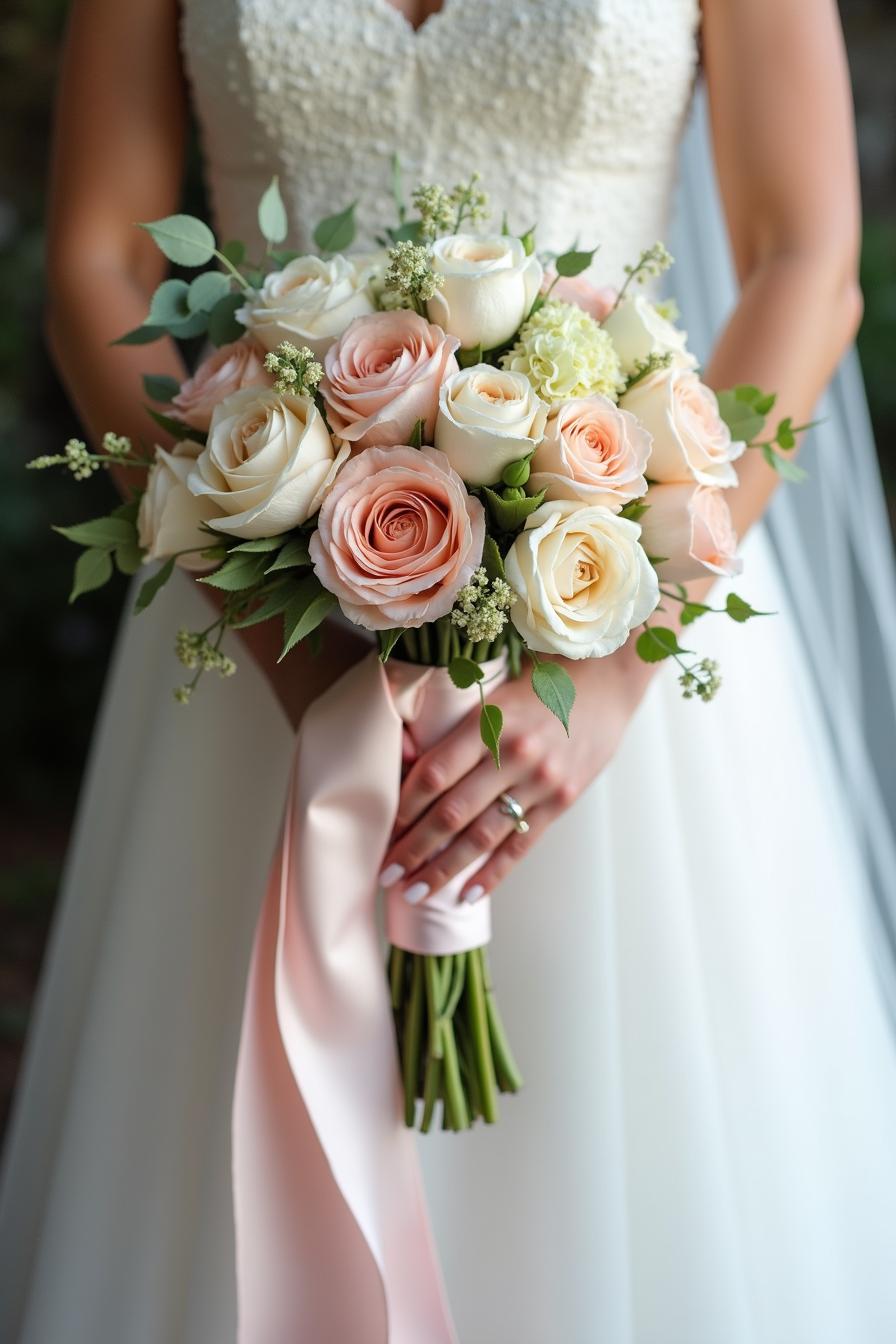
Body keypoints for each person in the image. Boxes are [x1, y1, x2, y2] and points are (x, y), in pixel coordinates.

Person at [3, 0, 896, 1339]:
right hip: (252, 626)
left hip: (618, 596)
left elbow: (808, 258)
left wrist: (603, 685)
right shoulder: (275, 646)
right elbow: (93, 267)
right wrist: (306, 675)